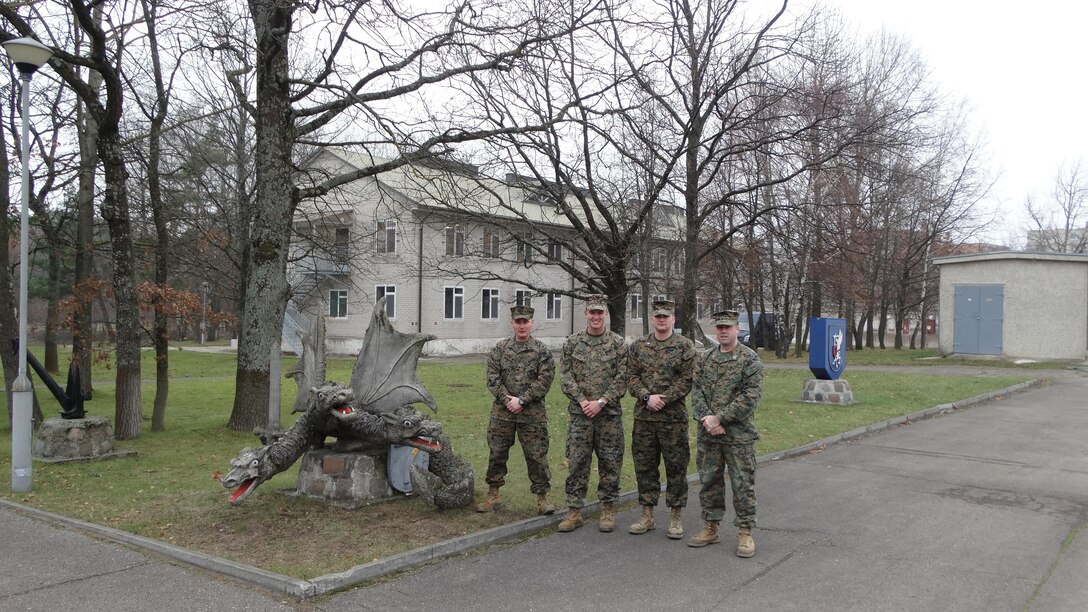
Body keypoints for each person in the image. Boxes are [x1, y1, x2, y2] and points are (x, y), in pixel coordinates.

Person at [687, 309, 764, 558]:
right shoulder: (706, 358)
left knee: (743, 484)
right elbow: (696, 391)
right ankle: (711, 526)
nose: (723, 331)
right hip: (709, 434)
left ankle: (745, 532)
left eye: (727, 327)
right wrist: (708, 419)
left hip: (738, 436)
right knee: (709, 481)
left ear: (737, 330)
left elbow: (750, 397)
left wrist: (720, 418)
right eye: (719, 327)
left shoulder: (750, 360)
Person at [557, 294, 628, 533]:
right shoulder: (572, 343)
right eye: (592, 312)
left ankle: (607, 509)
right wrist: (582, 401)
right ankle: (575, 510)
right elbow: (565, 376)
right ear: (585, 314)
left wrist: (601, 401)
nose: (596, 317)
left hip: (609, 415)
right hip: (580, 415)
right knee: (577, 461)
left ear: (606, 314)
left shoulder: (618, 344)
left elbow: (622, 378)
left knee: (610, 461)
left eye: (600, 312)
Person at [626, 299, 696, 539]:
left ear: (673, 319)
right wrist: (647, 397)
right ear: (653, 319)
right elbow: (631, 376)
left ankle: (676, 516)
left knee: (676, 467)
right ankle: (647, 514)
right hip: (644, 418)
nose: (662, 320)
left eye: (666, 316)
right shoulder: (639, 346)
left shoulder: (685, 346)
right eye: (658, 316)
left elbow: (687, 379)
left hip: (673, 419)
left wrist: (663, 399)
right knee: (645, 467)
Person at [477, 305, 557, 515]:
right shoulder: (500, 349)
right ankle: (493, 494)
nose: (522, 325)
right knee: (497, 454)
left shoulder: (542, 352)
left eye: (525, 321)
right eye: (518, 321)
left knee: (537, 456)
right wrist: (507, 399)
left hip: (532, 416)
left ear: (531, 323)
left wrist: (522, 400)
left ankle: (542, 498)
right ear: (512, 323)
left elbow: (544, 381)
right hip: (502, 415)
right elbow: (492, 379)